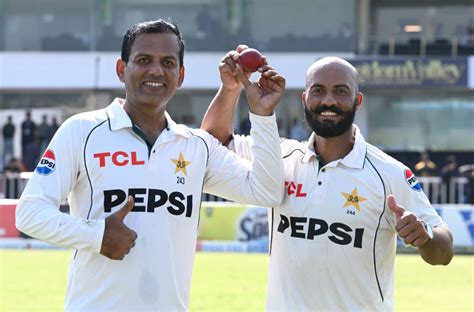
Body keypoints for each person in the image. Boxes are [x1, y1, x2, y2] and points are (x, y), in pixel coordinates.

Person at [16, 20, 285, 311]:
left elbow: (266, 191)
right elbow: (30, 213)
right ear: (122, 69)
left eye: (168, 63)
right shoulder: (82, 130)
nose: (156, 71)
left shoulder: (196, 145)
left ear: (180, 76)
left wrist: (261, 113)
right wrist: (97, 235)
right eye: (144, 60)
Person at [201, 52, 454, 311]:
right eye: (318, 90)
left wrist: (426, 236)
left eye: (341, 91)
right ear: (305, 98)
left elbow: (444, 252)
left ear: (358, 101)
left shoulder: (389, 173)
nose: (328, 100)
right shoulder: (280, 156)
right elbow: (213, 143)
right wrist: (230, 87)